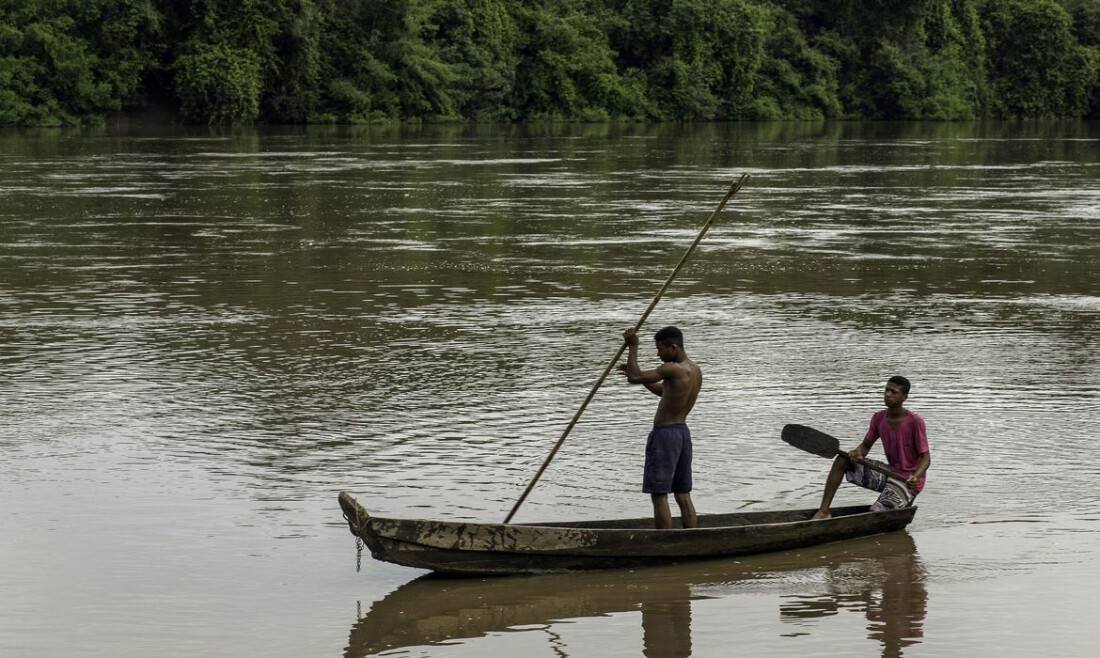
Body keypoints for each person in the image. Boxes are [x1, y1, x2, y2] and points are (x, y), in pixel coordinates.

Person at [811, 376, 930, 520]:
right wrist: (857, 453)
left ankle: (903, 497)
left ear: (904, 397)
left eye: (893, 392)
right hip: (890, 473)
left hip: (908, 481)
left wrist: (916, 476)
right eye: (886, 390)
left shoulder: (914, 422)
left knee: (875, 514)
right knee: (842, 460)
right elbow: (866, 446)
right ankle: (824, 511)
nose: (887, 394)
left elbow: (926, 458)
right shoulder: (878, 418)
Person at [619, 326, 702, 529]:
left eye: (660, 349)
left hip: (665, 435)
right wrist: (631, 371)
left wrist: (633, 346)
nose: (658, 354)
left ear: (673, 347)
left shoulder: (671, 369)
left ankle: (665, 541)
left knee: (659, 493)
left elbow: (635, 377)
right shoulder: (695, 370)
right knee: (682, 492)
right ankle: (692, 539)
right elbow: (662, 391)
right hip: (682, 434)